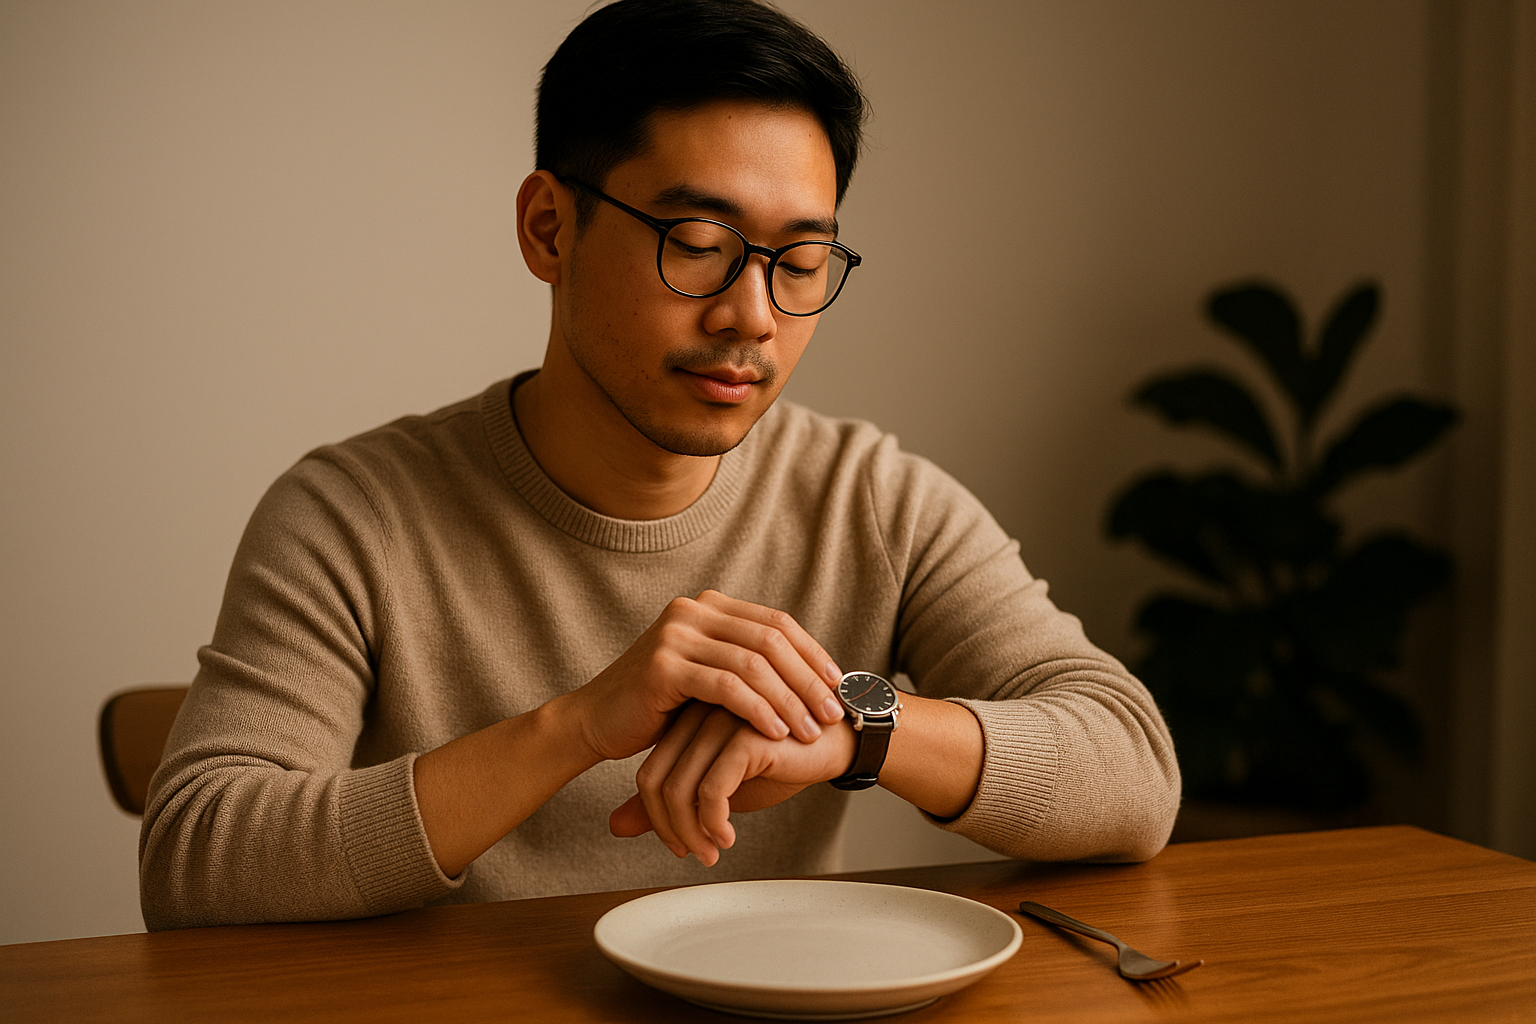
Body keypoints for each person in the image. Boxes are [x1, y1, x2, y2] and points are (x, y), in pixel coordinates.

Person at [139, 0, 1180, 931]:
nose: (752, 315)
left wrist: (859, 728)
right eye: (696, 242)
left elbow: (1133, 772)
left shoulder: (871, 498)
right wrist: (578, 726)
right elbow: (197, 856)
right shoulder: (352, 515)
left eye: (802, 263)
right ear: (550, 228)